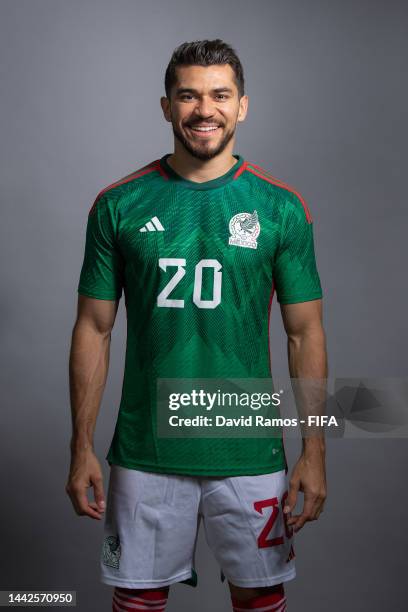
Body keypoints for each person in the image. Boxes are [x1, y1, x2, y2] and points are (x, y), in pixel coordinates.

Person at [66, 39, 327, 612]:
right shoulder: (119, 204)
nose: (203, 109)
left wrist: (314, 451)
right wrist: (80, 445)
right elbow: (94, 327)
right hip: (145, 450)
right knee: (137, 601)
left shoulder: (280, 207)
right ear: (167, 106)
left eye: (219, 95)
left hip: (249, 448)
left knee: (260, 598)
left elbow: (304, 334)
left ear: (242, 106)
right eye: (188, 95)